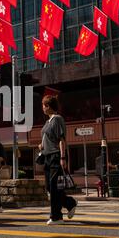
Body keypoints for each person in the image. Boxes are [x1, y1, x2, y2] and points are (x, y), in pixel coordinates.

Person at [38, 95, 77, 225]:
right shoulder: (47, 121)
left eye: (44, 105)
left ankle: (56, 217)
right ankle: (70, 203)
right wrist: (42, 146)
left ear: (48, 106)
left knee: (54, 187)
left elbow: (61, 140)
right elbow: (48, 138)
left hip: (56, 155)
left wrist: (63, 157)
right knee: (50, 187)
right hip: (47, 156)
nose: (42, 108)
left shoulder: (57, 119)